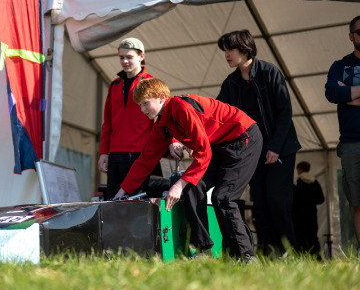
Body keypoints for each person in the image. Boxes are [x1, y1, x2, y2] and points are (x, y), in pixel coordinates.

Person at [113, 78, 263, 261]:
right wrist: (121, 194)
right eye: (140, 105)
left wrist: (178, 184)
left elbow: (203, 151)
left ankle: (246, 256)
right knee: (192, 187)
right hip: (219, 145)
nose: (143, 110)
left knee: (223, 197)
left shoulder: (181, 107)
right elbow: (145, 161)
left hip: (243, 137)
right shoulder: (162, 125)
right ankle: (204, 251)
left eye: (145, 103)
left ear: (161, 97)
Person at [216, 29, 301, 256]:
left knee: (277, 201)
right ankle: (267, 255)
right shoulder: (230, 83)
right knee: (260, 206)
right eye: (224, 51)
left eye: (230, 50)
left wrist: (274, 147)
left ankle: (290, 254)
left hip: (280, 149)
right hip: (252, 153)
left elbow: (285, 113)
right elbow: (217, 114)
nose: (226, 55)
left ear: (245, 49)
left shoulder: (270, 72)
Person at [325, 14, 360, 254]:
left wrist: (350, 95)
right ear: (351, 36)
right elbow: (332, 94)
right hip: (351, 142)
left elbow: (342, 95)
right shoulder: (340, 65)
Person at [98, 38, 160, 200]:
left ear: (141, 56)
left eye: (129, 57)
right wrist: (104, 152)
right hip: (115, 155)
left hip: (139, 154)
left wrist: (173, 141)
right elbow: (107, 123)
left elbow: (163, 116)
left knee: (135, 203)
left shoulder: (151, 83)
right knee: (112, 201)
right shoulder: (114, 85)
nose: (124, 61)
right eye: (121, 57)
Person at [292, 161, 325, 255]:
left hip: (299, 216)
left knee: (300, 237)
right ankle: (317, 257)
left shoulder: (298, 183)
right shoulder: (315, 182)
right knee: (313, 237)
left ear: (300, 169)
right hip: (312, 214)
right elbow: (321, 199)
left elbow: (294, 199)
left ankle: (302, 257)